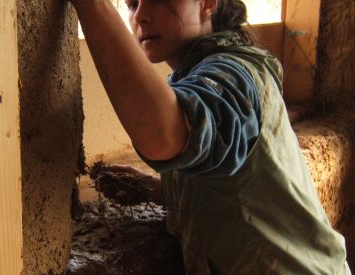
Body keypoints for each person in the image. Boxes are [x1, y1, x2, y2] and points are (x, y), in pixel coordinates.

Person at [70, 0, 351, 273]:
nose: (140, 16)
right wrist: (159, 190)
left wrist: (93, 6)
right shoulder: (191, 77)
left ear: (207, 4)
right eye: (131, 5)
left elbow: (165, 137)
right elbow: (235, 185)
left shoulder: (236, 74)